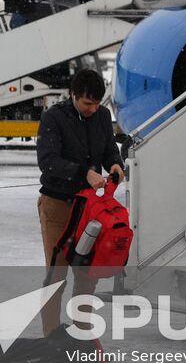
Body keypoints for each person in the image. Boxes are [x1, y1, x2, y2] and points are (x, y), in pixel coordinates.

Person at [35, 68, 124, 336]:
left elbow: (110, 149)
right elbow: (48, 161)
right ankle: (51, 337)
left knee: (86, 275)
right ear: (73, 95)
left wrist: (115, 165)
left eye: (98, 103)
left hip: (89, 209)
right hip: (58, 206)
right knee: (57, 275)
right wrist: (83, 172)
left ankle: (82, 333)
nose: (93, 109)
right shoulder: (53, 118)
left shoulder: (102, 116)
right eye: (87, 103)